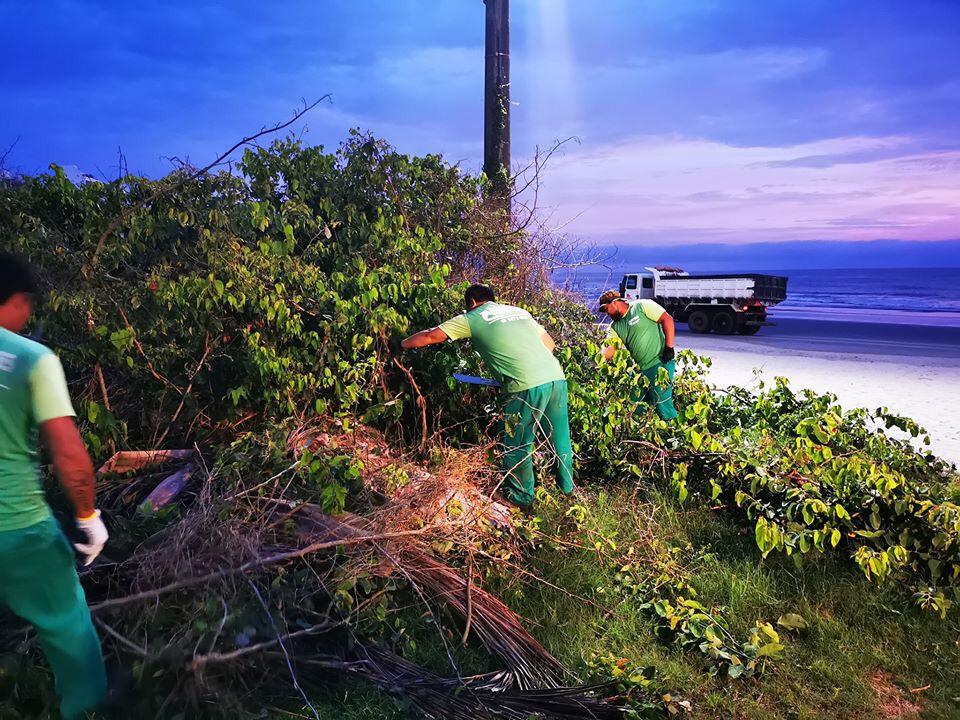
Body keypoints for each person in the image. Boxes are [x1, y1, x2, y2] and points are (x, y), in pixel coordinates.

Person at [0, 253, 109, 719]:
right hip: (18, 528)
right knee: (69, 628)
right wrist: (88, 518)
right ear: (18, 300)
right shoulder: (31, 359)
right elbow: (68, 455)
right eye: (28, 305)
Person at [401, 284, 573, 509]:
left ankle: (520, 500)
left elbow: (431, 336)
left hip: (524, 386)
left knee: (517, 443)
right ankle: (568, 493)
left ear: (471, 302)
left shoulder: (472, 317)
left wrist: (401, 344)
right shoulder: (519, 311)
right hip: (556, 378)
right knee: (560, 438)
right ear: (494, 299)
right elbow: (549, 344)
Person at [598, 290, 679, 422]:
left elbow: (667, 319)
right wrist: (599, 363)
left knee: (661, 403)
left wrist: (669, 347)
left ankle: (674, 434)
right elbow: (608, 350)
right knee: (634, 404)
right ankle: (641, 435)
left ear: (615, 303)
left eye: (606, 310)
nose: (607, 314)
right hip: (639, 370)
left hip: (660, 362)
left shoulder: (642, 306)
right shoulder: (615, 327)